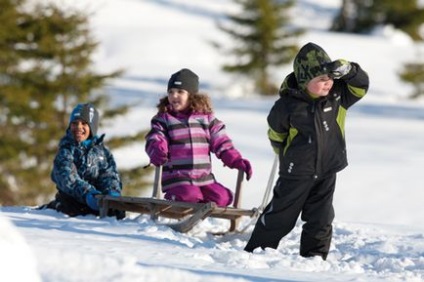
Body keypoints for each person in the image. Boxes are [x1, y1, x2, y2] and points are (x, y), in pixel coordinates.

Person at [244, 42, 369, 260]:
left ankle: (314, 257)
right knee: (281, 215)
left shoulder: (339, 96)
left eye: (330, 77)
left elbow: (361, 86)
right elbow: (276, 133)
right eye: (321, 79)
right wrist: (286, 156)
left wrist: (350, 71)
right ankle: (257, 251)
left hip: (328, 169)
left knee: (321, 217)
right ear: (304, 81)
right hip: (297, 171)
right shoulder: (288, 106)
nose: (328, 83)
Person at [145, 68, 252, 207]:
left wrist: (235, 160)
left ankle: (199, 212)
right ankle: (176, 197)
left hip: (204, 178)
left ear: (192, 95)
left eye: (180, 92)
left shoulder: (206, 119)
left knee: (222, 198)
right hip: (177, 178)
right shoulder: (163, 119)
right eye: (170, 92)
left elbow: (221, 142)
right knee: (189, 196)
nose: (174, 96)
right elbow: (155, 137)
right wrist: (157, 150)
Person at [42, 103, 125, 219]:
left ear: (92, 128)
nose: (78, 127)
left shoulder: (102, 152)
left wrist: (112, 192)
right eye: (74, 123)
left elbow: (109, 174)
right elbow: (67, 177)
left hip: (97, 201)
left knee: (117, 213)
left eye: (84, 123)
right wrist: (87, 193)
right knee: (73, 210)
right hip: (72, 201)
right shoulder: (66, 150)